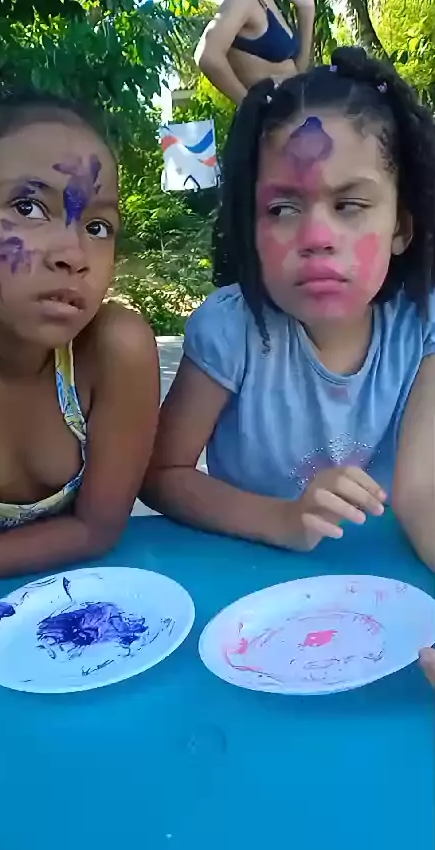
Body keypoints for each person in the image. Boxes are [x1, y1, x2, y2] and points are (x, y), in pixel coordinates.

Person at [142, 47, 435, 570]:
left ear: (401, 227)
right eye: (282, 208)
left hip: (380, 582)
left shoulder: (423, 324)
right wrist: (282, 520)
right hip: (248, 582)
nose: (317, 237)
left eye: (349, 205)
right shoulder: (231, 330)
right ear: (249, 227)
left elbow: (422, 491)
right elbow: (161, 474)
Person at [0, 86, 160, 579]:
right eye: (28, 207)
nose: (73, 254)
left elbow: (97, 528)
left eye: (98, 227)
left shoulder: (111, 354)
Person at [194, 0, 314, 106]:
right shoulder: (242, 3)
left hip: (292, 109)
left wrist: (307, 8)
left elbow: (299, 70)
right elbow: (208, 57)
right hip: (270, 118)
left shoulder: (270, 3)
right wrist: (251, 106)